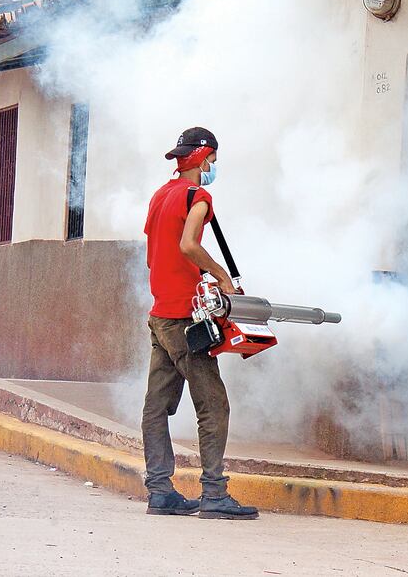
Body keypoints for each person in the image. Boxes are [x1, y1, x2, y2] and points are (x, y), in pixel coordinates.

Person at [141, 126, 259, 520]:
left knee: (156, 406)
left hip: (160, 314)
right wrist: (222, 276)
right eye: (212, 161)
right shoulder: (199, 196)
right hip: (182, 321)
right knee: (213, 405)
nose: (212, 168)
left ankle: (160, 490)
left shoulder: (161, 195)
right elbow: (188, 245)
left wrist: (197, 279)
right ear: (204, 157)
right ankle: (214, 494)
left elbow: (157, 255)